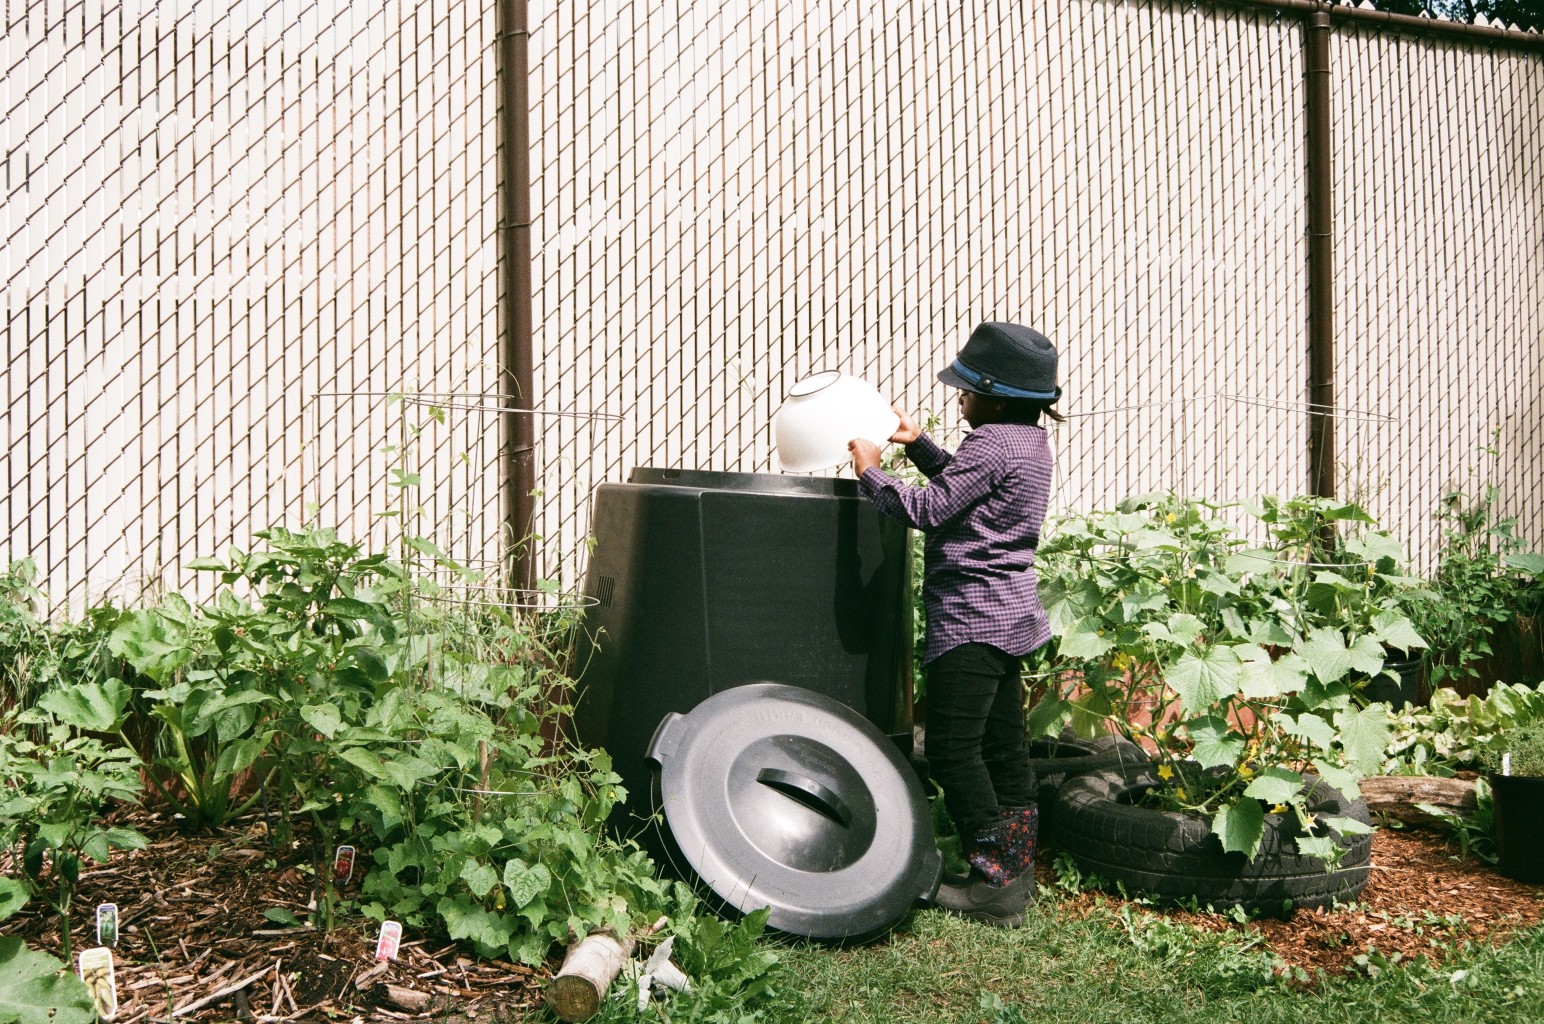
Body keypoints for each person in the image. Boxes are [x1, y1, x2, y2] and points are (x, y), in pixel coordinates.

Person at [847, 322, 1063, 928]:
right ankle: (1016, 870)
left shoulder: (989, 443)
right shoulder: (1026, 443)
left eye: (965, 390)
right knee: (1002, 747)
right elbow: (968, 486)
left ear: (994, 397)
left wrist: (871, 471)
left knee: (950, 750)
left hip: (970, 619)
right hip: (1011, 614)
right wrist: (918, 444)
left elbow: (929, 507)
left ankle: (991, 878)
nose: (958, 398)